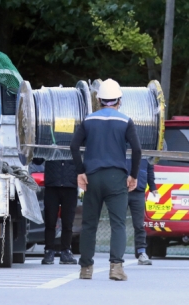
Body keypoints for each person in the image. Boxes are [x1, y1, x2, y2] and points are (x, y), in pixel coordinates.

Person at [70, 78, 142, 281]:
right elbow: (136, 150)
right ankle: (116, 268)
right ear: (119, 100)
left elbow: (74, 146)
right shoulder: (125, 121)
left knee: (89, 224)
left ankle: (85, 269)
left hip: (92, 177)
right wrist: (133, 175)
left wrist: (80, 172)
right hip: (116, 178)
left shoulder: (89, 120)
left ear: (99, 100)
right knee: (118, 223)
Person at [32, 157, 78, 265]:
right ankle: (49, 251)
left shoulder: (73, 140)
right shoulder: (49, 140)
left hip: (70, 185)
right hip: (52, 185)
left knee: (68, 221)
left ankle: (66, 251)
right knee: (50, 220)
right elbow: (37, 160)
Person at [126, 158, 158, 265]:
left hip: (139, 192)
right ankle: (116, 255)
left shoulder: (146, 148)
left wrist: (152, 187)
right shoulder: (122, 145)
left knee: (139, 225)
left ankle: (141, 253)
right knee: (118, 224)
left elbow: (149, 169)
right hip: (121, 190)